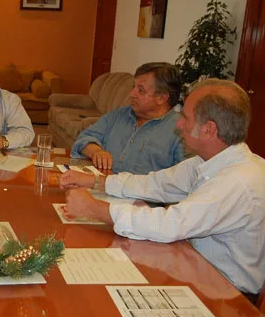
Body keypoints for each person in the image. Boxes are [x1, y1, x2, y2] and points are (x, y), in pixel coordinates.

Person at [60, 79, 265, 300]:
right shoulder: (208, 161)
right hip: (193, 268)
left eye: (185, 117)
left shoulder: (237, 180)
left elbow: (171, 224)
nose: (178, 124)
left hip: (227, 297)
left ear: (209, 129)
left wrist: (95, 209)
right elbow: (155, 184)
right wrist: (95, 182)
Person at [71, 62, 185, 174]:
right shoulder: (119, 115)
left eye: (140, 90)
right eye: (133, 87)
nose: (132, 94)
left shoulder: (180, 131)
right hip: (98, 185)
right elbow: (84, 138)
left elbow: (182, 182)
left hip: (139, 192)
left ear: (162, 98)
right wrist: (96, 151)